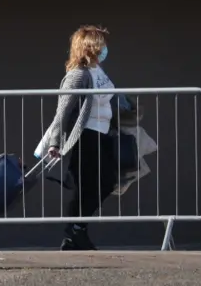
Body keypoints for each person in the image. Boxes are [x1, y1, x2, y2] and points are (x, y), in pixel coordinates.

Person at [42, 24, 133, 251]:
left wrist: (126, 104)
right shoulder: (78, 75)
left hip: (102, 134)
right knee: (87, 186)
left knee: (106, 182)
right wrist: (55, 142)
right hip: (86, 136)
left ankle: (76, 230)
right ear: (90, 47)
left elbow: (109, 95)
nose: (104, 50)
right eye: (100, 45)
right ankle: (74, 231)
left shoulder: (99, 71)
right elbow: (63, 110)